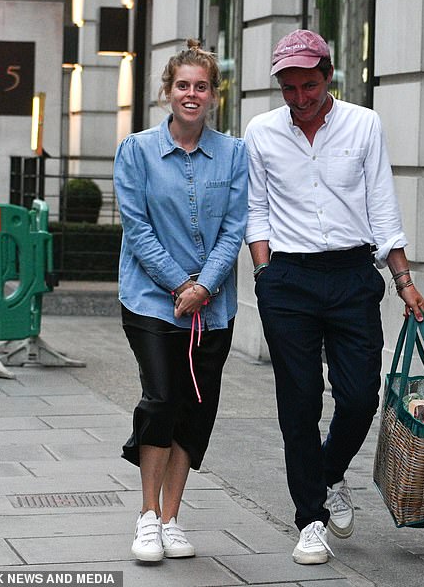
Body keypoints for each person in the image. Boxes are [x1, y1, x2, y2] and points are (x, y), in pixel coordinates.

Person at [244, 29, 424, 565]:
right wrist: (264, 274)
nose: (300, 98)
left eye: (309, 85)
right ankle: (310, 519)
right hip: (289, 280)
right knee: (298, 402)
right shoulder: (261, 131)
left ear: (329, 77)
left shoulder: (364, 124)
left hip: (351, 274)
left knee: (359, 396)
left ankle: (328, 472)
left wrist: (404, 279)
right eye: (289, 88)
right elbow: (256, 209)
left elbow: (383, 206)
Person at [114, 39, 248, 563]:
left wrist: (204, 288)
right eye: (183, 85)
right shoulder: (137, 150)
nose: (191, 94)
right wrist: (179, 285)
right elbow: (137, 227)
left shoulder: (234, 154)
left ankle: (173, 518)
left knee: (196, 409)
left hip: (212, 306)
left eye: (201, 86)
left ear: (214, 95)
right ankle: (147, 516)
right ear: (168, 92)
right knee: (162, 397)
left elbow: (235, 227)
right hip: (151, 300)